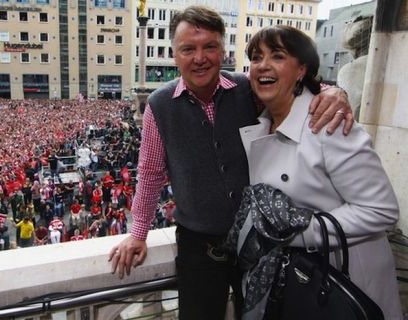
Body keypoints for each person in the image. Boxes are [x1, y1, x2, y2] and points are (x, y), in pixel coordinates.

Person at [108, 5, 353, 320]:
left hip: (257, 236)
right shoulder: (158, 105)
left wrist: (337, 93)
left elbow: (294, 89)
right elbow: (151, 175)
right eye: (188, 49)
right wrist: (138, 232)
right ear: (174, 54)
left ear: (223, 50)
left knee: (262, 314)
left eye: (209, 46)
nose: (200, 57)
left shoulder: (246, 87)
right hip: (197, 244)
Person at [235, 25, 402, 319]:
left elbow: (381, 209)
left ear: (301, 69)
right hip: (297, 280)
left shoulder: (330, 125)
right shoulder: (262, 124)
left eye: (277, 56)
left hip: (341, 282)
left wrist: (295, 233)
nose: (263, 65)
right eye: (256, 57)